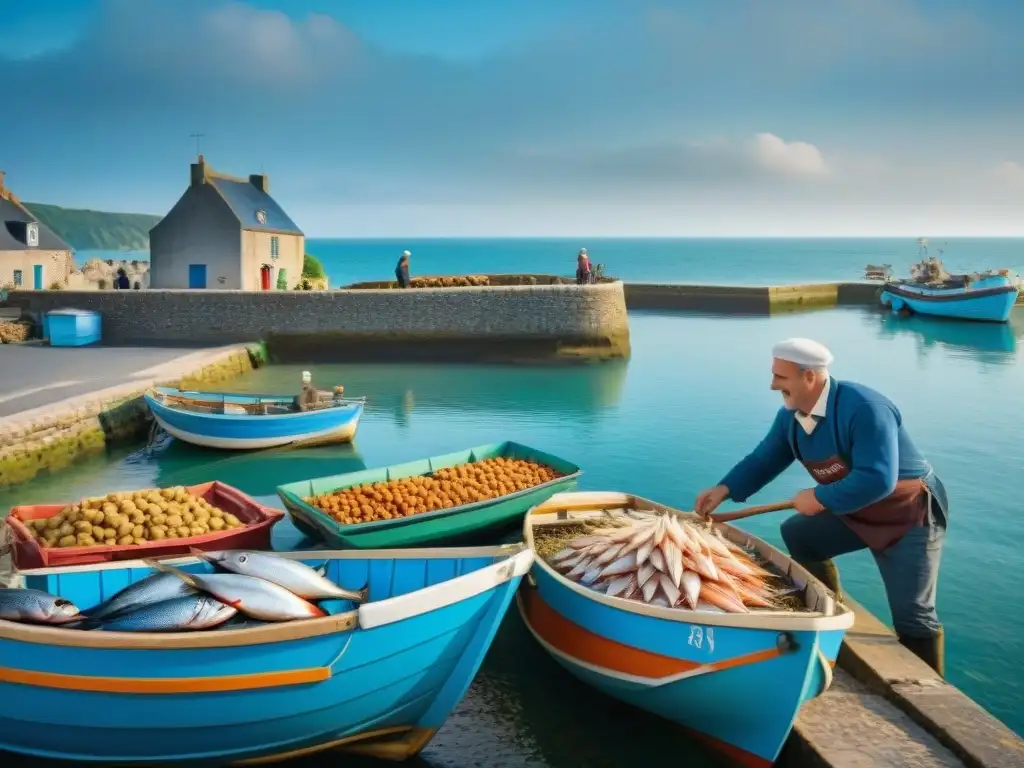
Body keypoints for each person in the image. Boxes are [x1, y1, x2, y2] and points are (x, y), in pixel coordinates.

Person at [694, 337, 948, 676]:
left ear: (809, 377)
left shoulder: (866, 408)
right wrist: (724, 488)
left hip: (908, 514)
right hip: (855, 507)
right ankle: (829, 611)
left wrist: (820, 498)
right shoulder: (790, 417)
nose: (772, 385)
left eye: (780, 378)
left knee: (914, 614)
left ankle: (929, 691)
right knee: (799, 534)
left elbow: (878, 478)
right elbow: (765, 458)